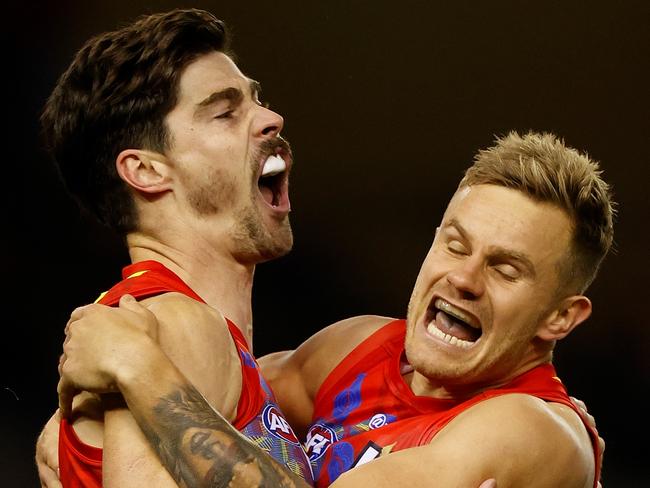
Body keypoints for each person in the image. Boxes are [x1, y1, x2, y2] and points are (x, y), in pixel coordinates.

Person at [47, 131, 610, 487]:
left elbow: (166, 394)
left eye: (505, 269)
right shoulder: (358, 348)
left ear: (559, 317)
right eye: (455, 245)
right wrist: (86, 415)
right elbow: (208, 392)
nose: (463, 278)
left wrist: (137, 367)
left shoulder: (531, 430)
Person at [37, 8, 314, 487]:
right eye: (226, 113)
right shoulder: (176, 328)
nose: (272, 118)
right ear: (146, 171)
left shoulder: (160, 333)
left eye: (256, 100)